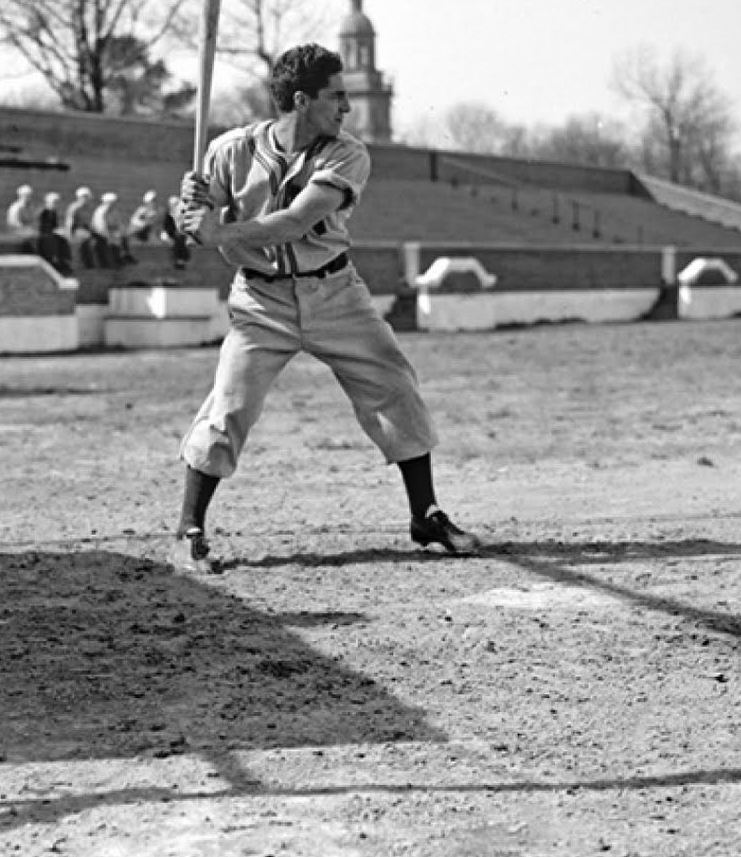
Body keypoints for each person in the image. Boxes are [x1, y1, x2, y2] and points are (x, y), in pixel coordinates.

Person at [171, 42, 480, 573]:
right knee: (228, 405)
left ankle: (425, 515)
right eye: (335, 97)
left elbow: (296, 220)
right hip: (260, 299)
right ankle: (188, 529)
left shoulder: (347, 153)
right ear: (300, 100)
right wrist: (187, 209)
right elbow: (187, 228)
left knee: (393, 386)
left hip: (335, 292)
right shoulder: (229, 150)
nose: (346, 107)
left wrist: (219, 230)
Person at [89, 191, 132, 267]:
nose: (115, 203)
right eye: (114, 202)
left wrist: (121, 232)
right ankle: (115, 260)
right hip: (100, 234)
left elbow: (118, 223)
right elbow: (100, 227)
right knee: (115, 241)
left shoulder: (113, 210)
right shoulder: (101, 211)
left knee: (121, 238)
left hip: (109, 232)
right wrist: (110, 236)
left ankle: (122, 257)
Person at [36, 190, 71, 272]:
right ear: (48, 202)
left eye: (57, 202)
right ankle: (53, 261)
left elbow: (54, 225)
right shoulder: (43, 212)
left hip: (51, 232)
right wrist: (53, 231)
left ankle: (63, 260)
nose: (56, 204)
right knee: (51, 240)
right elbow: (40, 226)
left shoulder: (53, 212)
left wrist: (59, 231)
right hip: (44, 234)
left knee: (63, 239)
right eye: (54, 202)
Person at [63, 186, 96, 268]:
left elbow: (87, 223)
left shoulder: (85, 208)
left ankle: (87, 265)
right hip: (75, 232)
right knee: (77, 250)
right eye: (87, 197)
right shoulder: (74, 208)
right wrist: (69, 236)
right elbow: (69, 223)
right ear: (82, 197)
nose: (88, 200)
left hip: (83, 231)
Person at [5, 183, 38, 247]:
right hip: (16, 231)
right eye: (27, 195)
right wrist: (26, 228)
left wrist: (32, 227)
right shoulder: (15, 207)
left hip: (27, 230)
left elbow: (33, 220)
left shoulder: (30, 207)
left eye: (29, 195)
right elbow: (13, 223)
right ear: (21, 196)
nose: (29, 197)